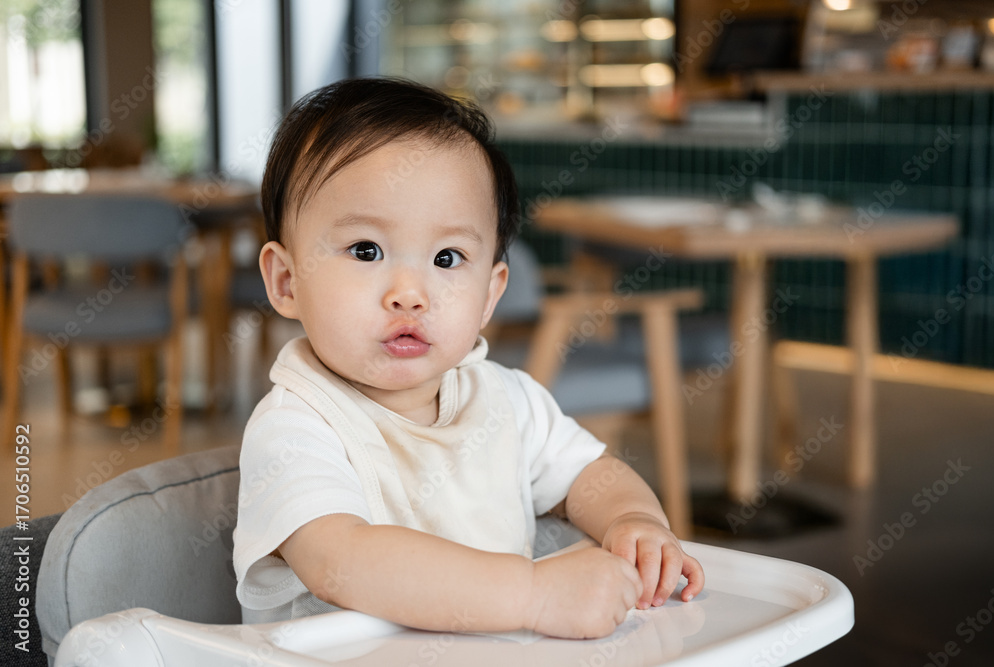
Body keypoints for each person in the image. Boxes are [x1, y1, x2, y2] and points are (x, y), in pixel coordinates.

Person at [233, 76, 704, 640]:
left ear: (488, 295)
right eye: (366, 250)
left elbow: (590, 474)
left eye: (447, 258)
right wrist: (534, 595)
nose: (410, 293)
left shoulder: (508, 401)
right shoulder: (295, 427)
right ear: (286, 281)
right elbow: (343, 561)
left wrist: (635, 521)